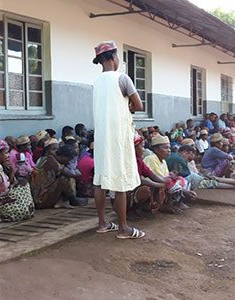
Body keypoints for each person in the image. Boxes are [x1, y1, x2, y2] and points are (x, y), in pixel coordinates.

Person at [91, 41, 145, 239]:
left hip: (102, 136)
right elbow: (138, 105)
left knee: (100, 180)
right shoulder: (123, 78)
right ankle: (124, 228)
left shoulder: (97, 82)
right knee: (120, 181)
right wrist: (127, 107)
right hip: (117, 136)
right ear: (114, 57)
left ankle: (103, 223)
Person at [0, 140, 35, 225]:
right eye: (6, 153)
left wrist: (11, 172)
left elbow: (8, 183)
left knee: (24, 185)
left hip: (2, 196)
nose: (8, 155)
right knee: (23, 206)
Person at [167, 144, 235, 191]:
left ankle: (234, 182)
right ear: (185, 152)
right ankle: (234, 185)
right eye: (191, 154)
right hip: (185, 182)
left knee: (211, 180)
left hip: (186, 179)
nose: (192, 157)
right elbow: (186, 175)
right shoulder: (179, 158)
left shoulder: (176, 156)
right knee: (211, 182)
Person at [31, 139, 79, 209]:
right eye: (53, 149)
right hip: (40, 199)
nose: (56, 152)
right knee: (64, 178)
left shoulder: (45, 159)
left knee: (63, 176)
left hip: (41, 195)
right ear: (47, 151)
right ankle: (71, 200)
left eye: (57, 149)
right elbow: (71, 173)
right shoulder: (50, 160)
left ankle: (64, 201)